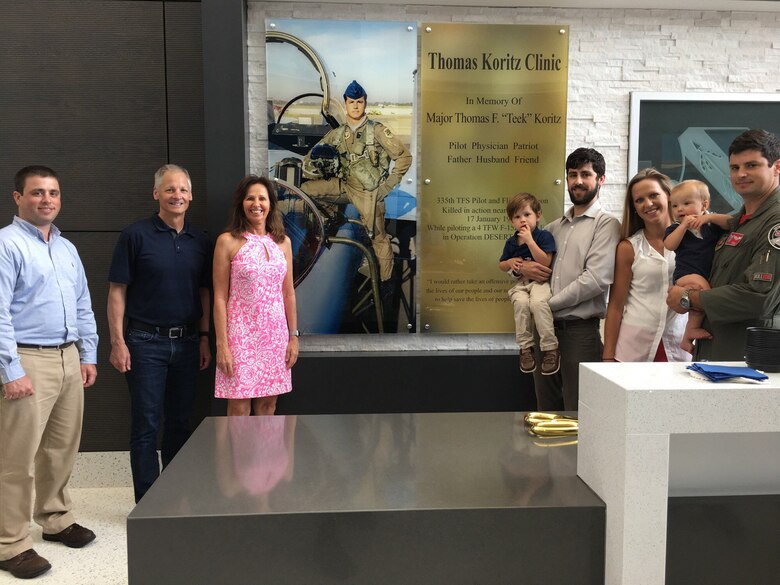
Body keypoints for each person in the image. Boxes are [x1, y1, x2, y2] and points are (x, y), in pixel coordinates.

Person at [0, 166, 98, 580]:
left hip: (67, 358)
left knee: (60, 447)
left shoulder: (66, 248)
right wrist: (10, 369)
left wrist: (87, 353)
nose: (47, 200)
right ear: (18, 198)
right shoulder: (6, 244)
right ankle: (10, 542)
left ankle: (55, 517)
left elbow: (82, 304)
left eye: (53, 193)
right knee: (16, 458)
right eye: (37, 192)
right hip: (27, 360)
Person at [108, 164, 212, 503]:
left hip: (186, 344)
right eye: (169, 189)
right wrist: (117, 341)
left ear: (191, 196)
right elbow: (117, 291)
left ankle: (175, 494)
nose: (177, 195)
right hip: (143, 343)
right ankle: (148, 502)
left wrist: (204, 337)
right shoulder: (135, 236)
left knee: (180, 423)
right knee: (146, 425)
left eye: (183, 189)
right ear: (157, 194)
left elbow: (205, 293)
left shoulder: (201, 242)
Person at [517, 148, 621, 411]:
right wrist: (519, 268)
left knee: (579, 412)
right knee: (546, 410)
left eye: (586, 174)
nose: (578, 181)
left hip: (580, 332)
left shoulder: (606, 225)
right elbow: (522, 260)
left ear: (601, 179)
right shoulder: (553, 228)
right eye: (572, 174)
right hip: (545, 332)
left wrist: (546, 306)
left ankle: (578, 456)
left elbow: (596, 279)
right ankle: (549, 455)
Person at [667, 128, 780, 360]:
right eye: (734, 167)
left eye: (751, 165)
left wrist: (688, 297)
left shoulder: (775, 222)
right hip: (719, 351)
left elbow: (759, 296)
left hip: (753, 358)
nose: (741, 174)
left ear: (776, 167)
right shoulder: (734, 222)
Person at [301, 80, 413, 288]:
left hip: (369, 193)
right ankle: (331, 218)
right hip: (345, 185)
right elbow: (311, 156)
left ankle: (385, 283)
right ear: (345, 104)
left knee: (378, 237)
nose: (355, 106)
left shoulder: (377, 131)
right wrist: (315, 166)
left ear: (364, 104)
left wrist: (386, 188)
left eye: (359, 102)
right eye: (351, 102)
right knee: (306, 192)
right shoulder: (337, 134)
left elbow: (404, 158)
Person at [213, 176, 298, 416]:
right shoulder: (227, 242)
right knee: (239, 406)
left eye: (262, 198)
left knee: (268, 406)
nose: (256, 203)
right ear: (241, 203)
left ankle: (266, 455)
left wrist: (293, 337)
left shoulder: (283, 243)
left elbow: (288, 293)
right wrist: (222, 345)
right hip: (240, 338)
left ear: (271, 203)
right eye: (250, 198)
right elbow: (219, 297)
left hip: (275, 338)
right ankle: (238, 456)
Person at [602, 169, 690, 363]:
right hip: (633, 348)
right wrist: (608, 357)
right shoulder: (628, 248)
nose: (648, 204)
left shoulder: (692, 240)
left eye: (653, 195)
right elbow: (616, 305)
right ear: (633, 207)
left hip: (679, 343)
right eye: (639, 200)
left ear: (668, 195)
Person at [663, 180, 732, 352]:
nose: (680, 209)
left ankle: (687, 336)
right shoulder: (675, 228)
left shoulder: (711, 226)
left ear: (705, 204)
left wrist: (709, 217)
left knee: (699, 302)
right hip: (686, 273)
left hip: (707, 274)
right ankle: (691, 331)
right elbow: (669, 245)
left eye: (686, 203)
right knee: (703, 295)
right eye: (675, 205)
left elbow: (732, 222)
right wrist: (684, 226)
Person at [498, 192, 559, 375]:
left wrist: (530, 241)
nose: (522, 220)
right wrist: (509, 263)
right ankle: (525, 349)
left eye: (527, 214)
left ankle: (550, 349)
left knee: (538, 304)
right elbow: (501, 264)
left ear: (538, 216)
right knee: (520, 303)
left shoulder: (543, 237)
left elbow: (545, 261)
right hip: (521, 284)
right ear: (511, 222)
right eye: (517, 217)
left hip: (539, 283)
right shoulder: (511, 241)